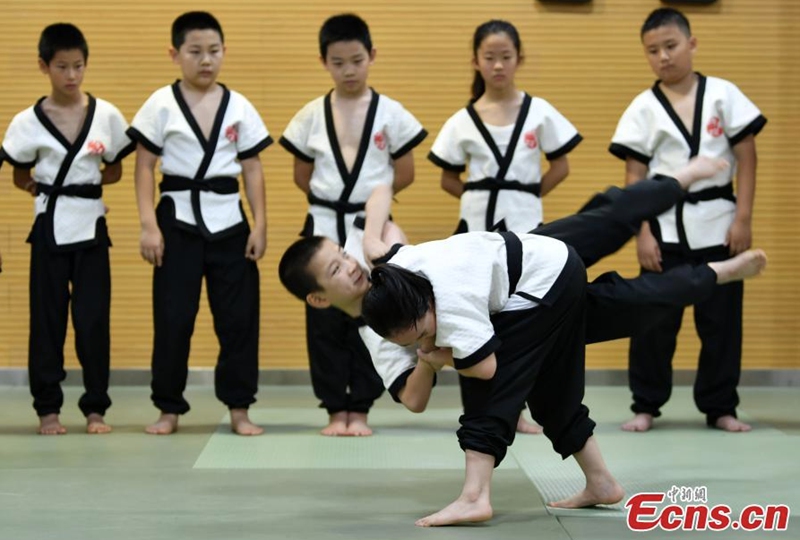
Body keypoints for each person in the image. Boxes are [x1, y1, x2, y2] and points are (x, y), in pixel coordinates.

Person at [279, 158, 767, 526]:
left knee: (605, 218)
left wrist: (368, 238)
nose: (351, 266)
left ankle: (683, 177)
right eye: (337, 270)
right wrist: (430, 358)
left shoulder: (386, 261)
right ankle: (716, 273)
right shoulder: (377, 336)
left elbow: (383, 189)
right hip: (526, 300)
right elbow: (413, 399)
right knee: (626, 306)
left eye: (344, 256)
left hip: (523, 264)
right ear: (320, 300)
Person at [609, 7, 767, 433]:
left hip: (721, 221)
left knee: (721, 321)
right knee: (653, 322)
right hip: (662, 227)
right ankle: (646, 404)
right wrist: (641, 231)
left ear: (692, 44)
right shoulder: (643, 107)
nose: (663, 56)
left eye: (671, 46)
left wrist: (744, 218)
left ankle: (720, 407)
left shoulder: (723, 94)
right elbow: (634, 177)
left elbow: (747, 156)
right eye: (653, 50)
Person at [428, 20, 582, 433]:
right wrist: (477, 196)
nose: (498, 65)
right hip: (474, 230)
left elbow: (561, 166)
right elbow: (446, 178)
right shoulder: (463, 119)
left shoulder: (539, 111)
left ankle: (521, 409)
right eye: (489, 57)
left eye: (506, 57)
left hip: (528, 227)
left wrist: (528, 193)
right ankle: (483, 410)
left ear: (519, 59)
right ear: (476, 62)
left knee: (526, 315)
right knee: (473, 315)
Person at [278, 13, 427, 436]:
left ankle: (359, 408)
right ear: (324, 61)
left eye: (357, 60)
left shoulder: (391, 113)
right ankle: (333, 409)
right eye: (338, 61)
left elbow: (407, 172)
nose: (348, 70)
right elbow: (301, 175)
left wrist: (374, 212)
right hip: (323, 224)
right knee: (323, 319)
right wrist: (332, 202)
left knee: (372, 313)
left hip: (370, 228)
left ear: (372, 56)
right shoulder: (310, 115)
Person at [127, 11, 272, 436]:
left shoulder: (239, 105)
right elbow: (143, 168)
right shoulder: (160, 104)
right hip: (176, 223)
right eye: (195, 52)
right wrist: (147, 225)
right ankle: (168, 408)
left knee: (239, 319)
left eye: (214, 51)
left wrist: (260, 224)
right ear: (175, 54)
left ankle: (239, 408)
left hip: (230, 222)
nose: (206, 61)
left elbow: (253, 169)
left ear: (224, 51)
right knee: (173, 318)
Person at [0, 23, 134, 435]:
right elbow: (18, 174)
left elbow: (114, 169)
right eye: (62, 67)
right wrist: (42, 190)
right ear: (44, 67)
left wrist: (84, 190)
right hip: (48, 227)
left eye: (78, 66)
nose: (72, 75)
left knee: (94, 320)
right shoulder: (27, 120)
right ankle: (48, 410)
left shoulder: (106, 114)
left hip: (91, 226)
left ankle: (96, 408)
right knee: (47, 320)